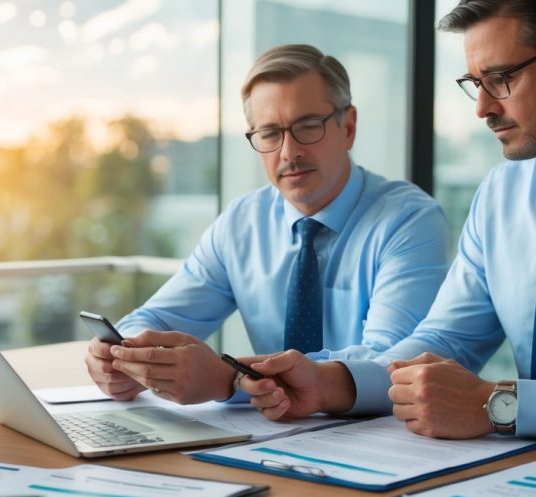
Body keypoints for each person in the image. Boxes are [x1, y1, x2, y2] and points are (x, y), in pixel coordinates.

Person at [244, 0, 536, 448]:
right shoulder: (501, 191)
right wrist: (333, 384)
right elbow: (446, 341)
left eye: (501, 78)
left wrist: (502, 405)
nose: (482, 107)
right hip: (526, 472)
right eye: (475, 82)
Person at [85, 44, 448, 406]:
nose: (289, 152)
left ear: (349, 127)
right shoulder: (241, 224)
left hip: (375, 432)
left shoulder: (409, 220)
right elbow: (158, 318)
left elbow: (389, 363)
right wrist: (123, 357)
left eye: (308, 127)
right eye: (270, 134)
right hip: (267, 429)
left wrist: (231, 379)